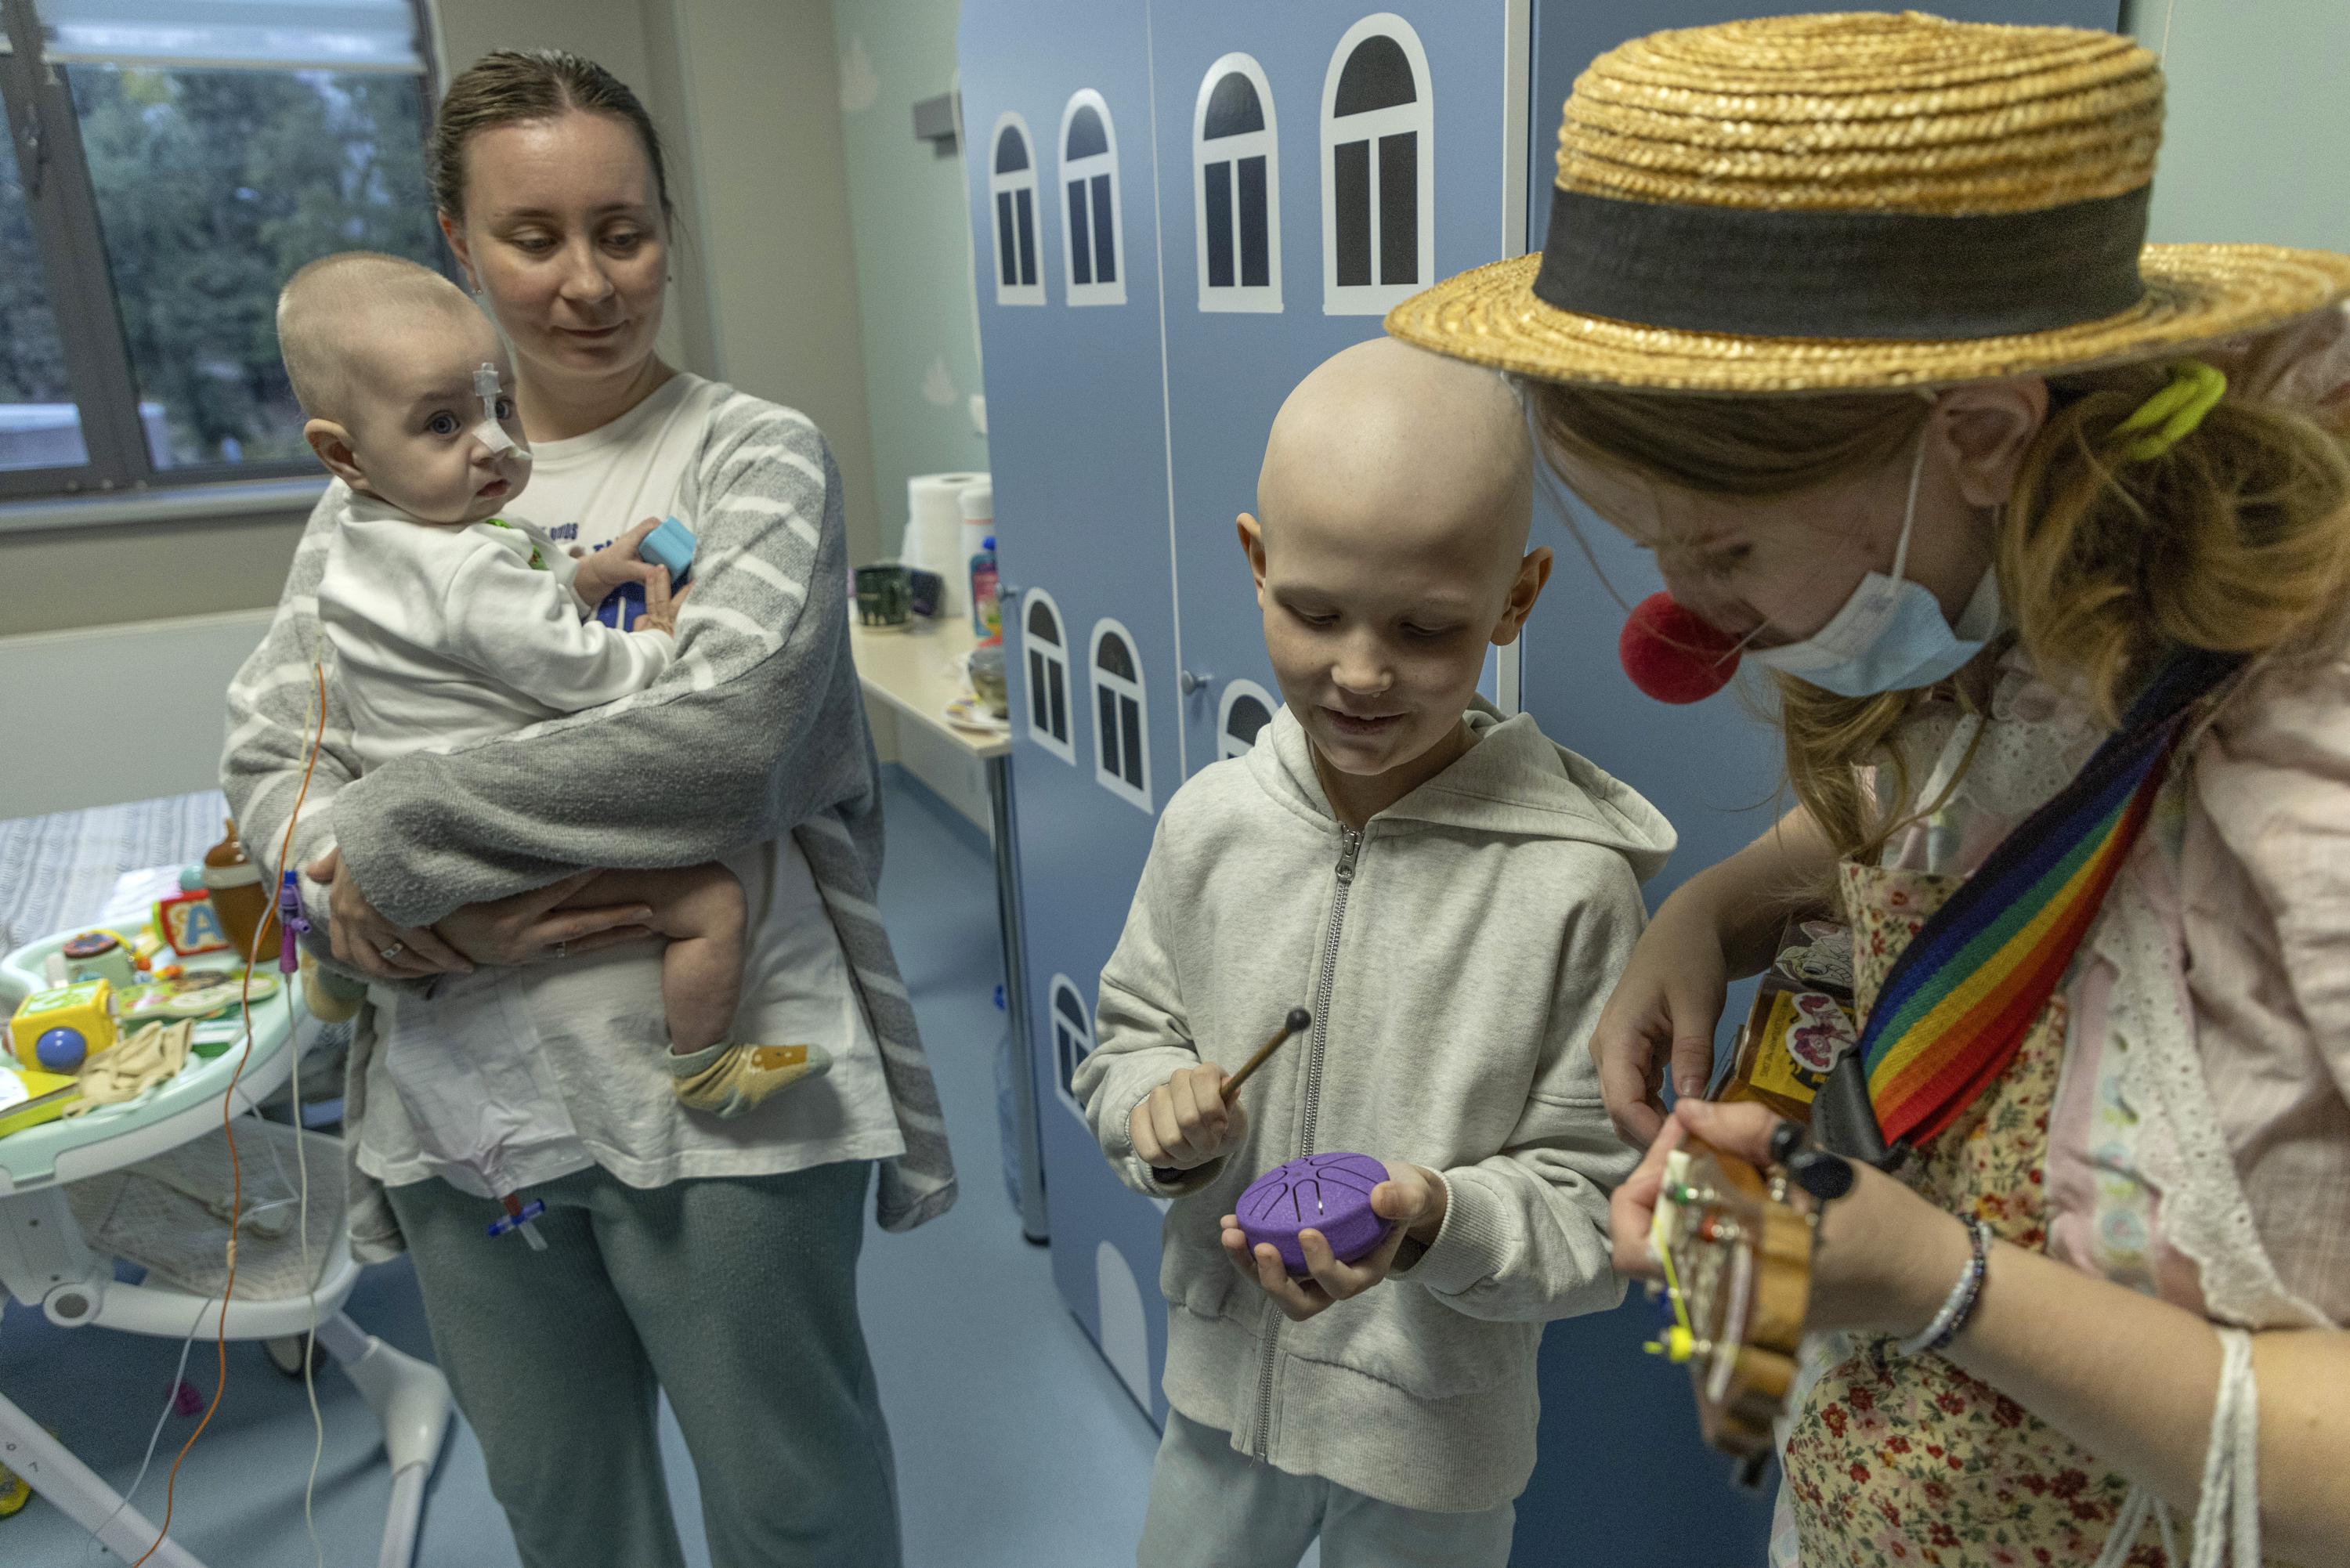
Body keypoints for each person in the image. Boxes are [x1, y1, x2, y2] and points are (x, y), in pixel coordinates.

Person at [1389, 13, 2350, 1567]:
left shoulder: (2309, 774)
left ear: (1978, 433)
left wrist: (1942, 1283)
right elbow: (2003, 809)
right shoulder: (2025, 578)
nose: (1691, 619)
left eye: (1727, 552)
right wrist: (1717, 904)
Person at [223, 50, 948, 1568]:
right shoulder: (362, 500)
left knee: (793, 1488)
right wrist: (352, 903)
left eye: (621, 230)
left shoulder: (750, 456)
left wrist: (400, 844)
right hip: (465, 1095)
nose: (586, 282)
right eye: (531, 238)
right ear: (459, 243)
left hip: (740, 1084)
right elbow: (271, 767)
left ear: (669, 228)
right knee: (565, 1505)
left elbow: (726, 743)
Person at [1075, 338, 1668, 1568]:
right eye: (1314, 611)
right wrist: (1156, 1115)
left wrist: (1432, 1220)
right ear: (1256, 563)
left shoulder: (1574, 887)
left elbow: (1592, 1207)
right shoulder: (1210, 825)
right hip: (1218, 1405)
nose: (1360, 669)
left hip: (1435, 1452)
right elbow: (1128, 1040)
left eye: (1426, 626)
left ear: (1516, 598)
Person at [280, 251, 830, 1119]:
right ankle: (708, 1069)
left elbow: (488, 604)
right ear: (344, 453)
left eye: (499, 407)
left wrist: (580, 573)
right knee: (709, 903)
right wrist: (655, 644)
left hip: (397, 823)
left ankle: (334, 979)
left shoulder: (367, 540)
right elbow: (573, 672)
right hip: (493, 833)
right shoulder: (464, 568)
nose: (495, 442)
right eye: (443, 424)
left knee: (347, 914)